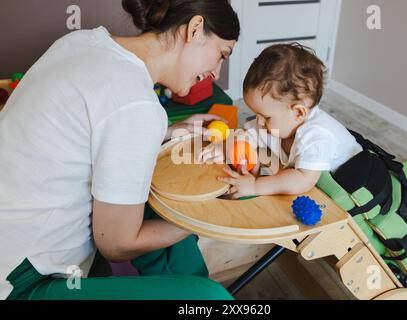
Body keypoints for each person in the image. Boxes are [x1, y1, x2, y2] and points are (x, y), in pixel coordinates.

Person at [0, 0, 239, 300]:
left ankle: (176, 281)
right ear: (194, 29)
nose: (217, 72)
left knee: (156, 198)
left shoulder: (80, 41)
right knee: (210, 299)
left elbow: (91, 126)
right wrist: (209, 215)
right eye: (221, 54)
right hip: (19, 280)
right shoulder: (136, 104)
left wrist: (164, 133)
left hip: (11, 239)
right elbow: (117, 244)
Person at [205, 43, 362, 199]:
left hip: (350, 187)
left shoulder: (316, 138)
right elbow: (247, 135)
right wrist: (224, 148)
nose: (258, 122)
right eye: (256, 114)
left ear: (298, 113)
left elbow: (302, 180)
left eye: (266, 117)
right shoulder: (279, 122)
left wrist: (255, 186)